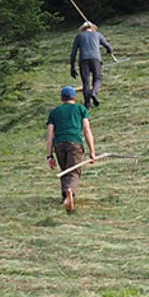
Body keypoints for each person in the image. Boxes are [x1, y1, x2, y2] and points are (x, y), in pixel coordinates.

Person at [46, 85, 97, 213]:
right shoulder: (81, 109)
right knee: (74, 171)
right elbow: (86, 130)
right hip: (75, 142)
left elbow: (50, 135)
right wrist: (92, 151)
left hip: (59, 144)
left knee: (65, 170)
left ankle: (65, 196)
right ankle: (70, 194)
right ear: (74, 97)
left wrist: (49, 155)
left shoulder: (54, 112)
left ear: (62, 98)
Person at [69, 21, 114, 108]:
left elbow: (74, 52)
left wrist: (72, 66)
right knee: (97, 79)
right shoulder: (97, 35)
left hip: (83, 60)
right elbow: (107, 45)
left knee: (85, 82)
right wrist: (109, 51)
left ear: (83, 29)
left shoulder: (79, 36)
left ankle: (87, 104)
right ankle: (94, 92)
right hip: (96, 60)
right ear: (93, 28)